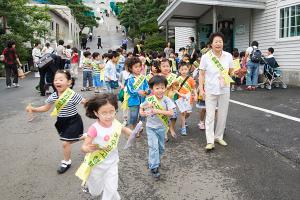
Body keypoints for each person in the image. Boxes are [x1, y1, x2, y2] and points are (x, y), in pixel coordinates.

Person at [26, 70, 86, 173]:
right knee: (69, 140)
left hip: (74, 121)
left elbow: (86, 103)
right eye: (55, 80)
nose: (57, 82)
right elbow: (45, 108)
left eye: (61, 79)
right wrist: (34, 109)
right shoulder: (53, 96)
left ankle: (66, 162)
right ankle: (86, 136)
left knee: (65, 143)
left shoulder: (72, 95)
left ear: (69, 82)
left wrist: (99, 110)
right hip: (62, 122)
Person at [79, 94, 132, 199]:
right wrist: (87, 148)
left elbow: (124, 129)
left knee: (111, 188)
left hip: (112, 163)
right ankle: (88, 184)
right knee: (95, 192)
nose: (109, 116)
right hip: (96, 164)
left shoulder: (115, 122)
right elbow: (83, 147)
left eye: (112, 111)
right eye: (104, 113)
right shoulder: (94, 128)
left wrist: (133, 133)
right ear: (96, 113)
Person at [198, 32, 234, 150]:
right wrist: (201, 89)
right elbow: (201, 74)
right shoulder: (205, 57)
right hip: (210, 89)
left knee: (223, 114)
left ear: (223, 43)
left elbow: (232, 72)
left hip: (224, 88)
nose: (218, 43)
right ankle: (210, 141)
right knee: (210, 115)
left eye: (220, 41)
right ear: (211, 44)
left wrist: (237, 73)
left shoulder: (228, 56)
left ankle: (219, 137)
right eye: (216, 41)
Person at [140, 75, 175, 179]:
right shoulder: (149, 99)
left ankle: (155, 161)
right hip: (150, 128)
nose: (160, 90)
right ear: (152, 89)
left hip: (162, 128)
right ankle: (154, 167)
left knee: (161, 148)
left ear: (165, 88)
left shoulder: (167, 100)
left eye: (162, 87)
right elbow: (141, 108)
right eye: (157, 88)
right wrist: (142, 113)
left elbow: (171, 113)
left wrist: (157, 111)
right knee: (153, 147)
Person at [125, 57, 149, 136]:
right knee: (134, 116)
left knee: (142, 115)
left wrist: (146, 91)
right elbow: (130, 91)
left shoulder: (143, 77)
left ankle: (138, 127)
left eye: (139, 66)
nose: (138, 68)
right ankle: (134, 130)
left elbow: (146, 86)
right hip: (133, 101)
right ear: (130, 68)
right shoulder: (129, 79)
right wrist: (138, 92)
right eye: (136, 67)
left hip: (143, 100)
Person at [176, 62, 197, 136]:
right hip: (181, 98)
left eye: (185, 69)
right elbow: (175, 89)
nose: (184, 71)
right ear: (179, 70)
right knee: (183, 113)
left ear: (188, 69)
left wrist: (196, 95)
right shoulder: (177, 79)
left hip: (189, 98)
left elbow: (194, 88)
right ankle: (183, 128)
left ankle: (184, 121)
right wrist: (180, 94)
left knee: (188, 113)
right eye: (182, 69)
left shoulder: (190, 79)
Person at [159, 58, 178, 141]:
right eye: (163, 66)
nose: (166, 68)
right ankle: (164, 133)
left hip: (170, 99)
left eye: (167, 66)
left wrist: (175, 85)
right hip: (161, 100)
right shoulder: (158, 77)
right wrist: (166, 88)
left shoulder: (173, 76)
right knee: (163, 117)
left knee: (174, 115)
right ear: (160, 67)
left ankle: (171, 128)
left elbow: (177, 87)